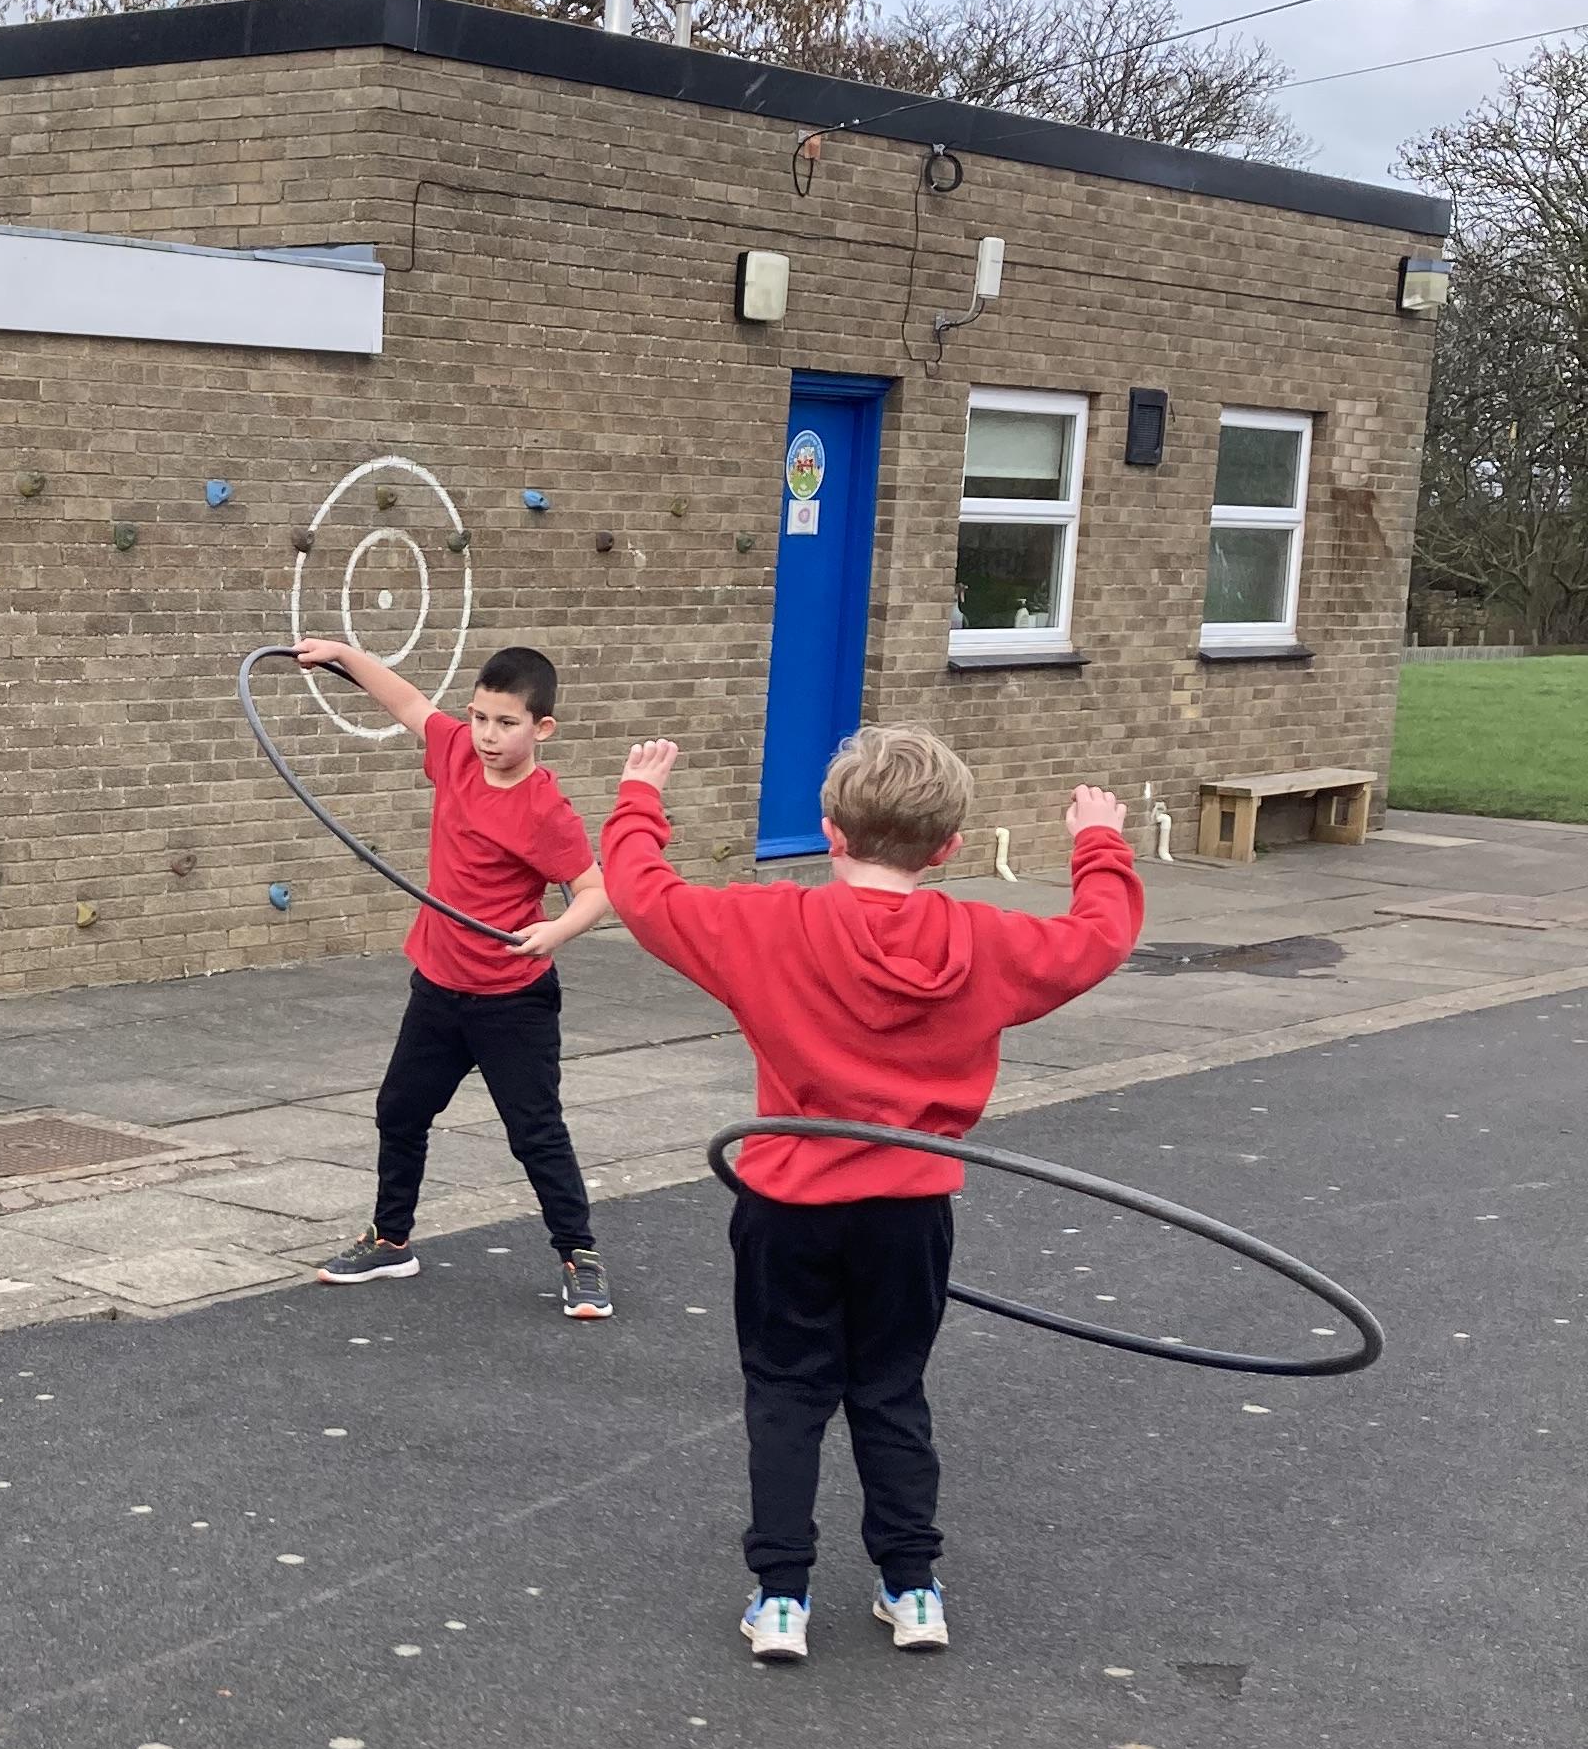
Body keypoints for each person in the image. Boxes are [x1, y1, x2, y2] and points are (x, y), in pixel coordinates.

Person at [598, 720, 1139, 1662]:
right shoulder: (985, 941)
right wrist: (1098, 842)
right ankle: (912, 1587)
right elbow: (1098, 937)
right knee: (890, 1390)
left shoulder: (768, 924)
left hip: (788, 1207)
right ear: (950, 847)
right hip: (908, 1213)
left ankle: (781, 1600)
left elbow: (645, 896)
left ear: (829, 831)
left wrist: (639, 800)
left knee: (786, 1393)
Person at [299, 637, 618, 1320]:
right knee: (400, 1110)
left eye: (505, 723)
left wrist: (555, 932)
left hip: (512, 999)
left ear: (542, 728)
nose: (487, 735)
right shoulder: (454, 754)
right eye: (479, 718)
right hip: (439, 987)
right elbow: (406, 701)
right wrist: (340, 654)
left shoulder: (545, 810)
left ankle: (580, 1255)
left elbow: (595, 890)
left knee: (535, 1132)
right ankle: (391, 1240)